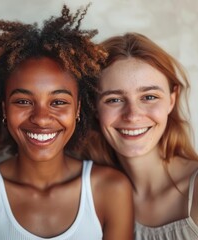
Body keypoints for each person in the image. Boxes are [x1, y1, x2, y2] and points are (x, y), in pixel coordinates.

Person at [0, 5, 134, 240]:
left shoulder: (111, 190)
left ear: (77, 109)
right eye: (24, 101)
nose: (41, 118)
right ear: (4, 109)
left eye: (58, 102)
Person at [82, 32, 198, 239]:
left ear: (172, 100)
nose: (133, 115)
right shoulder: (88, 195)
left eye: (149, 97)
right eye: (114, 99)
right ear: (94, 108)